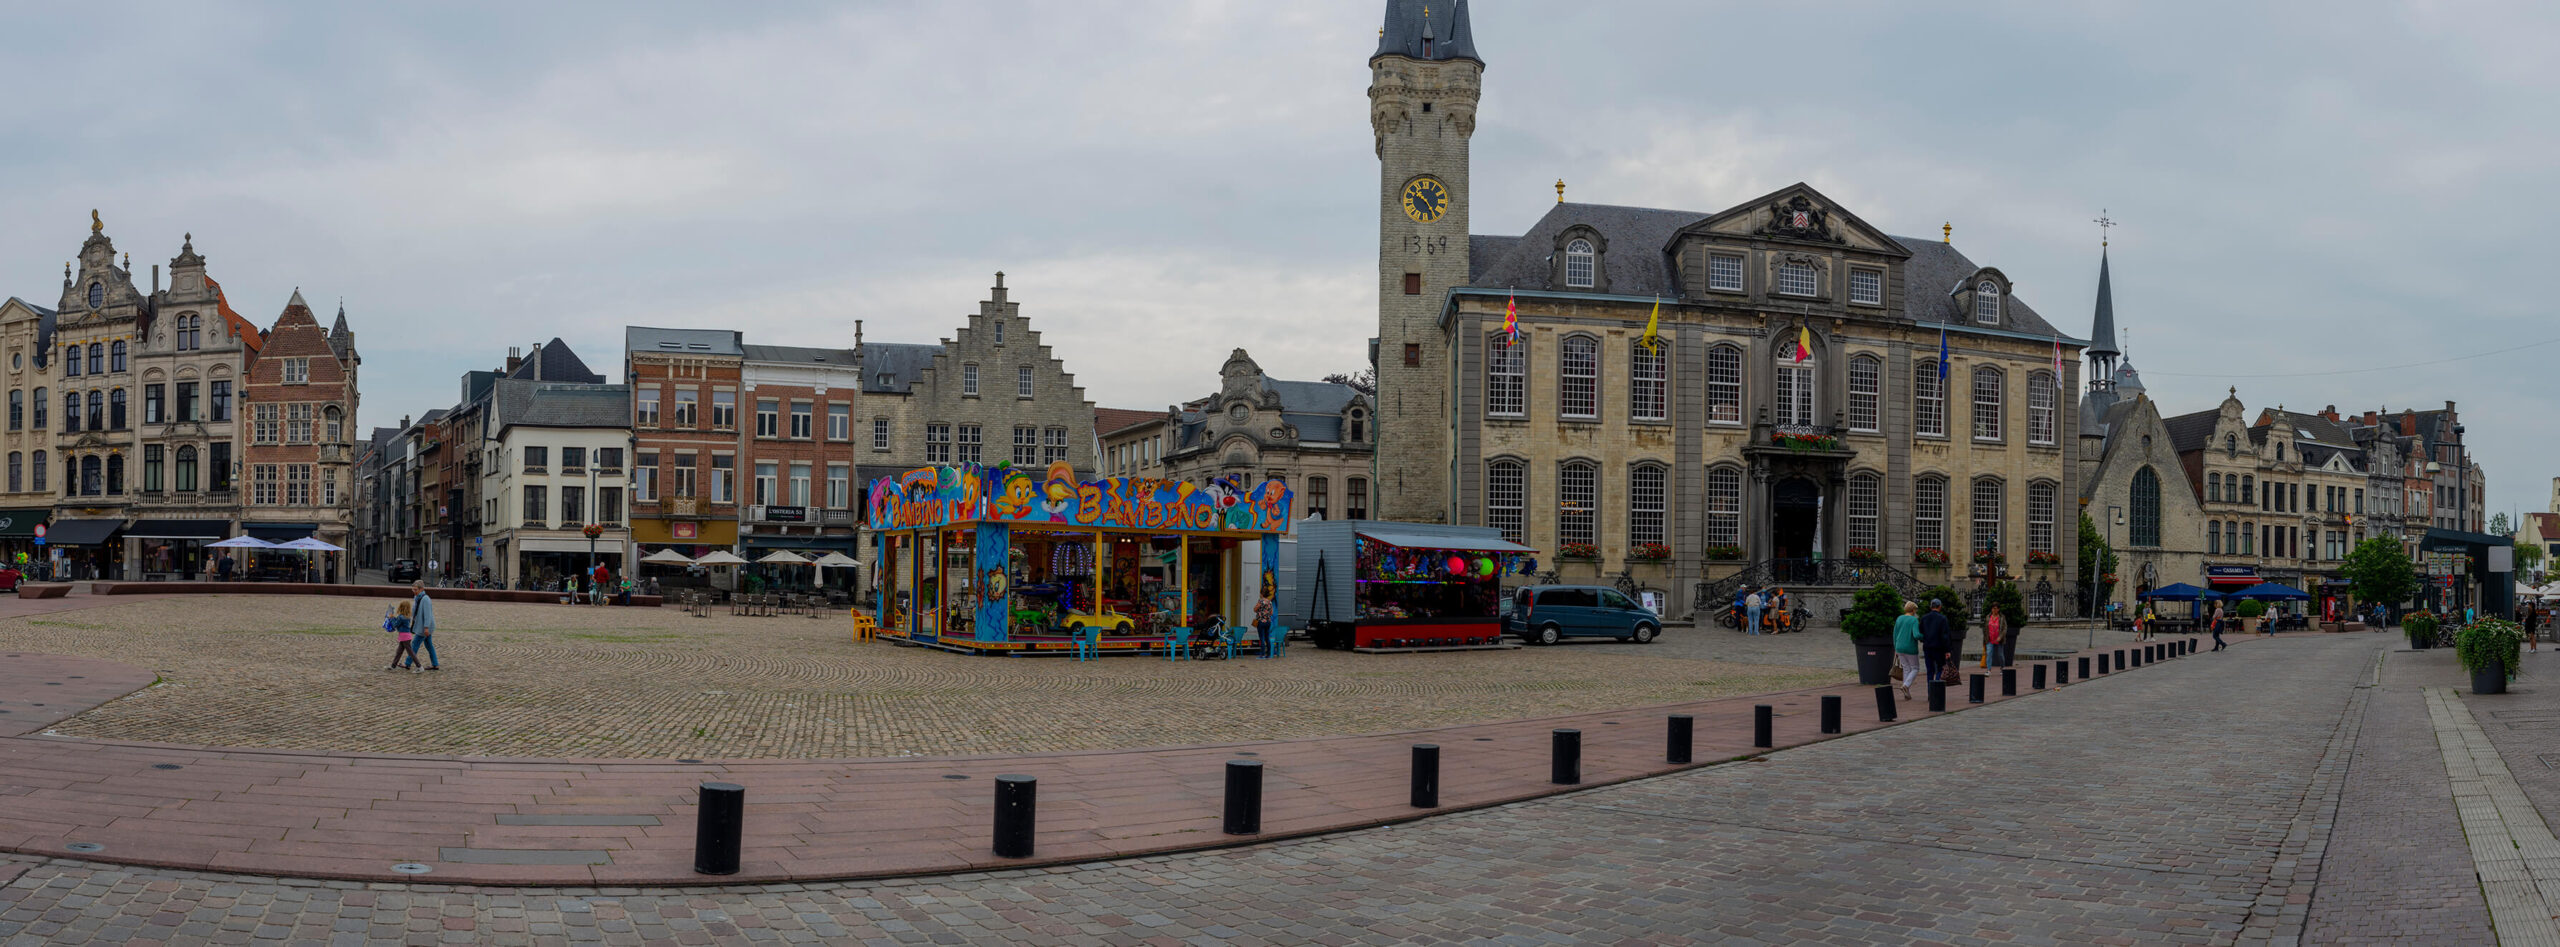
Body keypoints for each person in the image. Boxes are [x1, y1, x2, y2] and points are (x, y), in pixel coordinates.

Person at [1892, 601, 1924, 700]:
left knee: (1906, 668)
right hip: (1910, 647)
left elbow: (1895, 634)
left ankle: (1907, 693)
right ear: (1913, 609)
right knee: (1915, 668)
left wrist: (1895, 648)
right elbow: (1916, 635)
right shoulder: (1914, 620)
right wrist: (1924, 637)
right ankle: (1906, 685)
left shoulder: (1899, 618)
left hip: (1899, 647)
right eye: (1916, 609)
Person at [1919, 598, 1952, 688]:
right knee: (1940, 668)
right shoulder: (1942, 618)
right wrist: (1948, 650)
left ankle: (1930, 692)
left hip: (1927, 647)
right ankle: (1936, 690)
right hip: (1939, 648)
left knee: (1930, 671)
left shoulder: (1924, 618)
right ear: (1940, 607)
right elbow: (1945, 636)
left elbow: (1920, 631)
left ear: (1931, 607)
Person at [409, 580, 440, 670]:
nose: (414, 592)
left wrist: (426, 628)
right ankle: (435, 664)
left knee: (414, 644)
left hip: (424, 627)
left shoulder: (425, 599)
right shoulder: (417, 598)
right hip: (423, 626)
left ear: (421, 589)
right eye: (413, 590)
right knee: (429, 645)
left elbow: (428, 615)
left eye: (415, 590)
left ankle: (407, 663)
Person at [386, 600, 420, 673]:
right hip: (406, 636)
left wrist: (391, 618)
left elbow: (395, 625)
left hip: (404, 637)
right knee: (399, 652)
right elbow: (398, 622)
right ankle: (393, 666)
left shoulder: (401, 617)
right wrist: (394, 618)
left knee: (410, 653)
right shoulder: (407, 616)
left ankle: (419, 666)